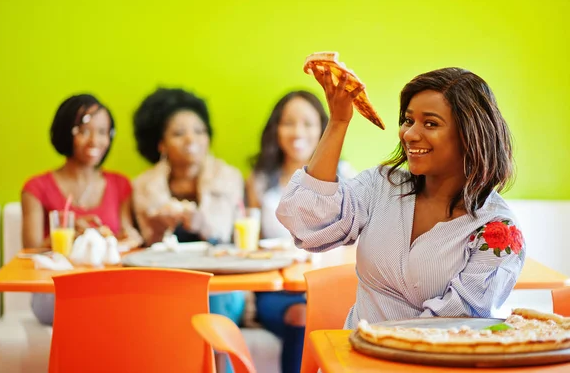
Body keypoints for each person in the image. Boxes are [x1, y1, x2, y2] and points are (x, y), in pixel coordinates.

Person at [276, 67, 526, 331]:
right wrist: (338, 122)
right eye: (408, 120)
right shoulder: (381, 185)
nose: (409, 134)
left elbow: (456, 324)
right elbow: (306, 221)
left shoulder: (499, 230)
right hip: (355, 357)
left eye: (430, 123)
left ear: (470, 135)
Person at [246, 90, 355, 373]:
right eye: (288, 123)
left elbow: (357, 241)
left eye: (307, 123)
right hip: (279, 292)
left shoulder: (346, 175)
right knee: (301, 314)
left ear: (323, 128)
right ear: (276, 129)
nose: (298, 132)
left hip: (327, 283)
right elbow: (249, 244)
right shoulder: (259, 180)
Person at [22, 94, 142, 325]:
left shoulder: (120, 184)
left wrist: (131, 238)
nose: (95, 141)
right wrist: (68, 233)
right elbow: (29, 250)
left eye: (103, 132)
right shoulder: (36, 188)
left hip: (108, 288)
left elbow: (128, 234)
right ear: (66, 131)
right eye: (84, 130)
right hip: (53, 292)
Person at [132, 87, 245, 325]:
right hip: (165, 281)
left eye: (199, 131)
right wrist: (158, 228)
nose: (191, 139)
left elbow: (231, 238)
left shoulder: (228, 177)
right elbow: (145, 246)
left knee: (213, 309)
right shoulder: (143, 185)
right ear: (161, 144)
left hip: (221, 280)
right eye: (179, 133)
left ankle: (215, 361)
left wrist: (203, 224)